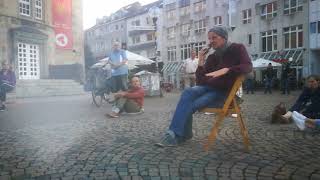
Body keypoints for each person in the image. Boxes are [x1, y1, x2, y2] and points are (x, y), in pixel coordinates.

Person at [155, 26, 252, 147]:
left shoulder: (237, 48)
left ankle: (183, 134)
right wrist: (201, 60)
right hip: (208, 88)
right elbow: (201, 81)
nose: (210, 41)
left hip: (225, 93)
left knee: (191, 105)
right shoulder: (212, 57)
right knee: (188, 92)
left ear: (224, 37)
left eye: (214, 38)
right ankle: (173, 134)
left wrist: (227, 70)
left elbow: (247, 66)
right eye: (209, 38)